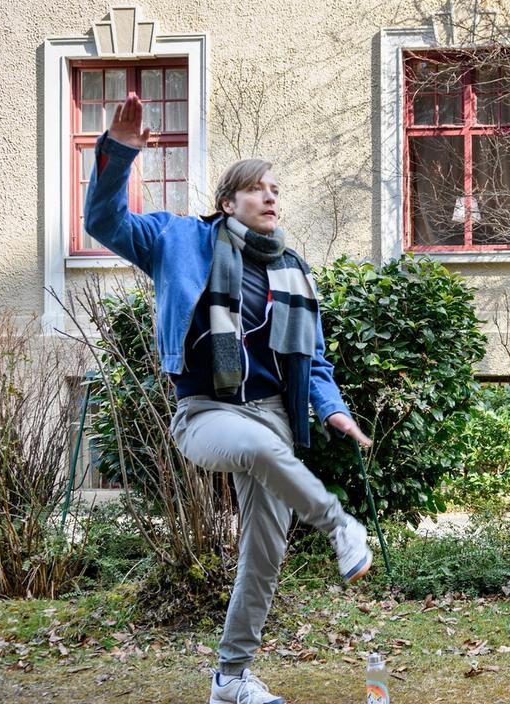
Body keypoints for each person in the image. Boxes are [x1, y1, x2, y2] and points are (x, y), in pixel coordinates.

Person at [85, 93, 374, 704]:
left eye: (276, 188)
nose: (271, 196)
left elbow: (312, 359)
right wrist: (120, 155)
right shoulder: (177, 240)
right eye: (257, 188)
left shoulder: (291, 268)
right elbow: (104, 223)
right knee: (256, 449)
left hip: (272, 414)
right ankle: (338, 524)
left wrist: (334, 409)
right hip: (206, 413)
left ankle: (231, 677)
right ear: (228, 201)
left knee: (264, 552)